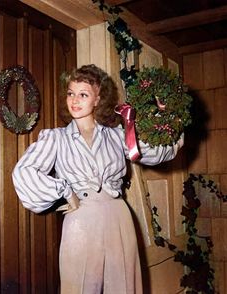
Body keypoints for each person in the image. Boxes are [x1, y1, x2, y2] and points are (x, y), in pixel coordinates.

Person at [12, 64, 183, 294]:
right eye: (71, 93)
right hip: (81, 220)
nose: (74, 100)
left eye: (83, 94)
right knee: (79, 287)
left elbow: (158, 151)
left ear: (98, 99)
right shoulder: (55, 138)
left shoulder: (117, 135)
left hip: (118, 218)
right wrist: (64, 191)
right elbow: (23, 171)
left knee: (124, 286)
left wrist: (167, 115)